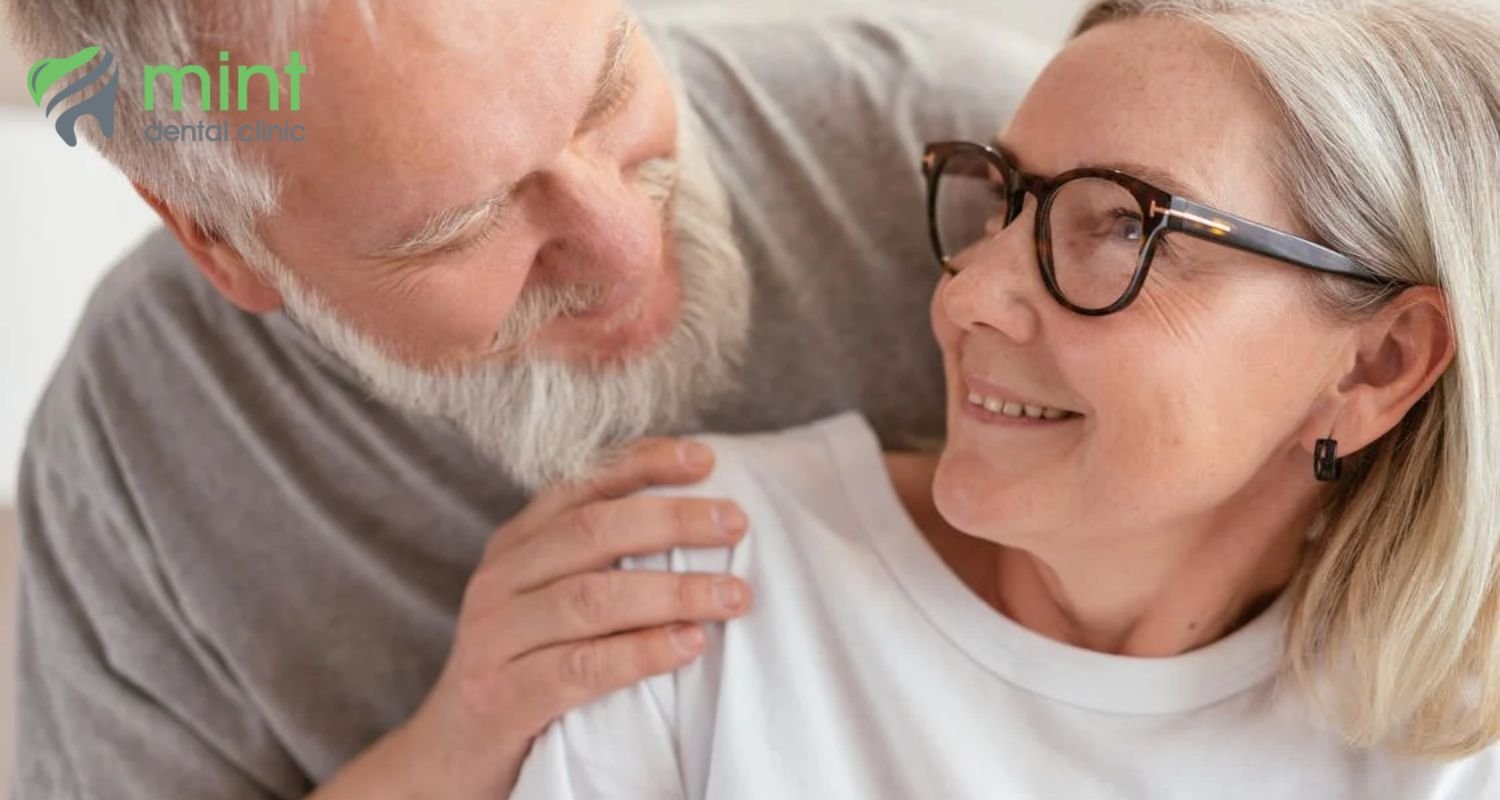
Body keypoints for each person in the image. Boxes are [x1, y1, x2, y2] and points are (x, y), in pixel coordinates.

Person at [5, 1, 1046, 797]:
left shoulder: (982, 170)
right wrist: (452, 749)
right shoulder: (134, 453)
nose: (627, 247)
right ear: (221, 242)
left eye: (608, 92)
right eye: (462, 224)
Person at [509, 0, 1500, 797]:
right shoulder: (697, 577)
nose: (965, 296)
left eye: (1126, 227)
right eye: (1002, 201)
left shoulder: (1448, 749)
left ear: (1377, 366)